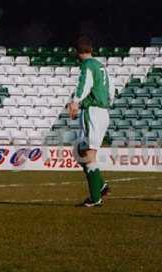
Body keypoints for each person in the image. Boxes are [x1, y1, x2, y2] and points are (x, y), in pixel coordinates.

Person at [68, 37, 115, 207]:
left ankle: (96, 198)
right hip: (103, 112)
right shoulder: (102, 67)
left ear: (77, 52)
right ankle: (100, 186)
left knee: (88, 155)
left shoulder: (87, 66)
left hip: (92, 112)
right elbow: (111, 90)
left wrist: (75, 101)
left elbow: (84, 84)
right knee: (81, 152)